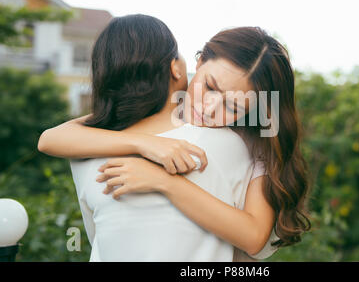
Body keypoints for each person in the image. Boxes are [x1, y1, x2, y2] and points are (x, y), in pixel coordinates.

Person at [38, 15, 312, 261]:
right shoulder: (144, 117)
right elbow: (51, 138)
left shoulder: (249, 144)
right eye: (209, 86)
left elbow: (253, 237)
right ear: (199, 61)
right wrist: (145, 144)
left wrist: (164, 181)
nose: (209, 108)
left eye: (233, 107)